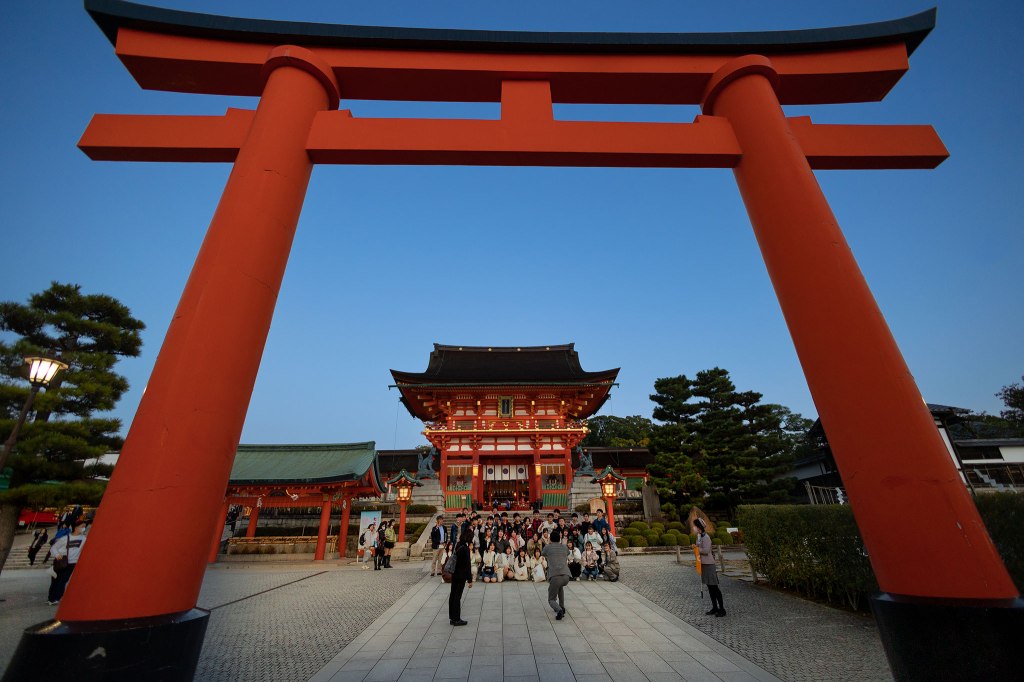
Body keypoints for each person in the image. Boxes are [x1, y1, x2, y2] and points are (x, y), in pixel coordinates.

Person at [47, 517, 88, 605]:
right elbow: (53, 548)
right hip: (61, 562)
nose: (84, 528)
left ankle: (56, 598)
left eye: (84, 526)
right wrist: (57, 555)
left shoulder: (84, 539)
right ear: (76, 527)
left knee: (63, 580)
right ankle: (51, 598)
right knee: (55, 580)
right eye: (82, 526)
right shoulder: (65, 538)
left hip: (72, 563)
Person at [694, 518, 726, 617]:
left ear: (700, 527)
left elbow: (706, 550)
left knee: (714, 587)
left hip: (709, 564)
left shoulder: (706, 537)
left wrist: (696, 548)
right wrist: (696, 547)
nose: (695, 528)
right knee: (709, 587)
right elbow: (698, 546)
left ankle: (722, 609)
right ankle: (714, 607)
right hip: (703, 564)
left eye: (696, 526)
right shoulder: (699, 536)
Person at [543, 529, 571, 619]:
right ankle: (562, 606)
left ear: (550, 539)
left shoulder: (548, 547)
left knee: (551, 599)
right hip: (566, 576)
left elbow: (543, 553)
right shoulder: (564, 546)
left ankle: (559, 610)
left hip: (555, 576)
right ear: (559, 539)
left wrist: (548, 543)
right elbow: (568, 552)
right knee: (560, 587)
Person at [449, 528, 474, 626]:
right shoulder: (465, 548)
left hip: (454, 573)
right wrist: (470, 580)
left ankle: (452, 617)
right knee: (457, 597)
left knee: (453, 595)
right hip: (461, 574)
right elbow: (467, 565)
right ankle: (456, 619)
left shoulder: (458, 545)